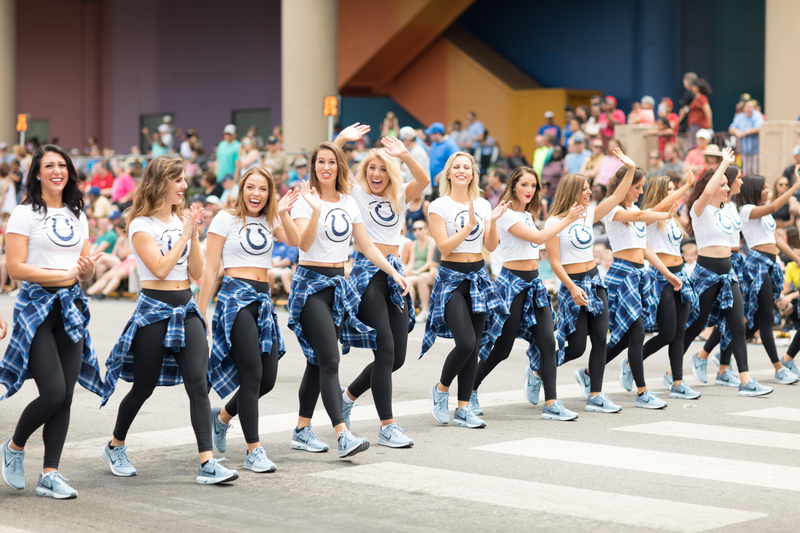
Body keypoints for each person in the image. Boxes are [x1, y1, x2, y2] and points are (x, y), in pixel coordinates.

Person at [100, 155, 239, 484]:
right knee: (143, 387)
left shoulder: (181, 220)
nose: (185, 186)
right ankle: (115, 444)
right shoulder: (140, 224)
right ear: (160, 183)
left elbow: (196, 272)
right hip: (154, 309)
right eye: (178, 180)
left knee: (199, 386)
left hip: (185, 307)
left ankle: (207, 462)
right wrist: (184, 234)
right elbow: (160, 269)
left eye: (184, 180)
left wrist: (192, 236)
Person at [287, 141, 409, 458]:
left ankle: (301, 430)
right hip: (311, 285)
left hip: (338, 287)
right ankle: (343, 435)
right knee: (329, 360)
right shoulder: (305, 201)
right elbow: (304, 241)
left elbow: (367, 246)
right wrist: (314, 211)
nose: (326, 167)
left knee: (317, 363)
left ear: (338, 167)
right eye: (320, 162)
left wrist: (393, 273)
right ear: (313, 167)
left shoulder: (348, 202)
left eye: (331, 162)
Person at [1, 145, 103, 499]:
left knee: (66, 396)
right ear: (38, 174)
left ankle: (50, 473)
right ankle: (14, 447)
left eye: (62, 165)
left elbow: (84, 270)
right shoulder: (24, 213)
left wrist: (87, 272)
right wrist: (67, 276)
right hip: (36, 309)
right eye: (49, 166)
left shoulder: (78, 214)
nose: (57, 171)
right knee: (54, 392)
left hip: (71, 308)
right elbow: (16, 269)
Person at [198, 168, 301, 472]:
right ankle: (253, 450)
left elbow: (296, 241)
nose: (256, 194)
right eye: (251, 188)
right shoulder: (225, 219)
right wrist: (200, 309)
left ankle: (222, 419)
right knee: (252, 374)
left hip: (263, 299)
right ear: (241, 189)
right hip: (235, 298)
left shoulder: (270, 220)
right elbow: (211, 268)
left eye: (263, 189)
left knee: (266, 379)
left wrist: (281, 212)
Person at [332, 126, 429, 447]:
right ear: (364, 172)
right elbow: (327, 168)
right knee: (385, 350)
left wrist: (405, 155)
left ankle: (347, 397)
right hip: (365, 274)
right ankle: (387, 426)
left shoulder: (400, 196)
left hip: (395, 273)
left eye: (382, 168)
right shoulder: (355, 194)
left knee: (397, 357)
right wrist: (342, 141)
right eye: (371, 168)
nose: (376, 173)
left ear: (390, 174)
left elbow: (425, 180)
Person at [472, 166, 586, 421]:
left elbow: (537, 236)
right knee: (502, 348)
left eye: (533, 186)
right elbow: (539, 236)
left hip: (534, 284)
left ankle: (552, 403)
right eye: (524, 185)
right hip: (512, 284)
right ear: (513, 186)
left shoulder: (526, 214)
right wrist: (567, 219)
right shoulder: (507, 215)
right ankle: (470, 388)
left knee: (549, 342)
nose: (529, 190)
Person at [545, 148, 638, 414]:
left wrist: (629, 167)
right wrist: (572, 287)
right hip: (571, 285)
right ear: (571, 192)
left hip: (595, 282)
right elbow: (554, 263)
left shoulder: (589, 214)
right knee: (575, 347)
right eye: (584, 189)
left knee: (600, 340)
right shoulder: (554, 221)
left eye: (589, 188)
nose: (589, 192)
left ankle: (595, 394)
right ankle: (540, 370)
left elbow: (618, 195)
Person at [422, 151, 508, 429]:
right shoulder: (438, 205)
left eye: (466, 167)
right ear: (448, 173)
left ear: (473, 174)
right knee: (466, 343)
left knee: (476, 347)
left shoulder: (482, 204)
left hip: (479, 276)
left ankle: (463, 408)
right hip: (452, 278)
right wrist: (470, 224)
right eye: (456, 167)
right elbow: (444, 247)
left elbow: (491, 246)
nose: (462, 171)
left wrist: (491, 221)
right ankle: (441, 388)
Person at [681, 148, 772, 396]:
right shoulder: (700, 210)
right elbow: (708, 190)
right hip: (706, 272)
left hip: (729, 272)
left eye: (726, 184)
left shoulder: (726, 208)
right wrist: (723, 165)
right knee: (696, 325)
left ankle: (745, 380)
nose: (726, 188)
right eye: (722, 184)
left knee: (737, 325)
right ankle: (674, 375)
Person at [600, 161, 683, 409]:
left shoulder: (635, 208)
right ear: (624, 186)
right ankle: (642, 392)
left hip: (639, 275)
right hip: (623, 275)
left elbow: (645, 248)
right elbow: (637, 215)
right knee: (636, 334)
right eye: (636, 187)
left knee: (627, 337)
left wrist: (667, 273)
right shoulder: (611, 209)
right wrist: (664, 215)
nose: (640, 191)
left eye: (641, 187)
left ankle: (588, 373)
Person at [732, 172, 800, 385]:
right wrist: (794, 187)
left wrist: (797, 258)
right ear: (754, 190)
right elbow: (771, 208)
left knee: (758, 318)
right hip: (758, 265)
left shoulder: (765, 215)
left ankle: (722, 356)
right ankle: (779, 369)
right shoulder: (746, 210)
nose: (768, 191)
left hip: (770, 265)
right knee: (766, 320)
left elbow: (776, 238)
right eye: (765, 188)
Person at [639, 176, 697, 397]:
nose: (674, 194)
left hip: (680, 275)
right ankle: (632, 362)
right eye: (669, 190)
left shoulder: (672, 218)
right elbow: (661, 207)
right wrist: (685, 186)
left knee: (679, 333)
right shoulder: (653, 215)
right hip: (661, 277)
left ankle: (677, 382)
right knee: (667, 334)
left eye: (675, 189)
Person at [404, 220, 436, 322]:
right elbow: (411, 263)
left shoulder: (431, 242)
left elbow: (429, 263)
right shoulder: (414, 244)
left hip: (425, 273)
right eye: (414, 229)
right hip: (415, 273)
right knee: (406, 281)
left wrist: (416, 272)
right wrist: (405, 271)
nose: (417, 231)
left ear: (426, 229)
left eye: (420, 229)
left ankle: (425, 311)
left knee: (418, 279)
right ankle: (409, 312)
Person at [728, 100, 765, 177]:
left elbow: (759, 127)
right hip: (744, 151)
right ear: (744, 108)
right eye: (748, 107)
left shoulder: (757, 115)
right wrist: (737, 132)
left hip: (756, 150)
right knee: (746, 172)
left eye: (751, 107)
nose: (749, 109)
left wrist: (745, 132)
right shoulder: (740, 117)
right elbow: (731, 128)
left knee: (755, 171)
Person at [425, 122, 460, 192]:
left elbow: (457, 164)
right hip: (433, 183)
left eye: (431, 134)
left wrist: (442, 174)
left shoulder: (450, 145)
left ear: (437, 134)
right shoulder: (435, 143)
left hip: (443, 184)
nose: (429, 136)